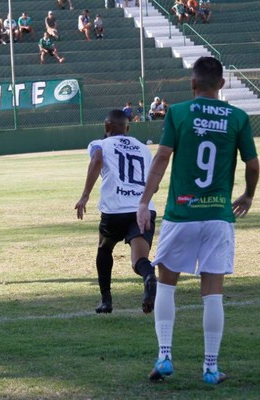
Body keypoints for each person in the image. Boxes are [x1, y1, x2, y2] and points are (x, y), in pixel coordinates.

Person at [137, 56, 259, 385]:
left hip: (182, 212)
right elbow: (253, 163)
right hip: (218, 215)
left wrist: (144, 201)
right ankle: (210, 366)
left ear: (193, 84)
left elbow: (162, 157)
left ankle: (164, 356)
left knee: (166, 285)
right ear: (221, 85)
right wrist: (248, 195)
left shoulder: (177, 112)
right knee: (213, 294)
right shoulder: (237, 117)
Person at [75, 109, 158, 314]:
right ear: (127, 128)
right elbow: (153, 184)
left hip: (115, 210)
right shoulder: (143, 148)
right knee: (139, 261)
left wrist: (85, 194)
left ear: (106, 127)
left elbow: (96, 160)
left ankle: (106, 301)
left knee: (104, 248)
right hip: (143, 209)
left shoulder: (99, 144)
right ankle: (149, 277)